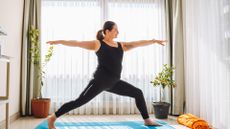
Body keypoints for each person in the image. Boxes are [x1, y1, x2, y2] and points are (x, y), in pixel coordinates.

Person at [47, 21, 167, 129]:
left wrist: (153, 41)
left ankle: (147, 120)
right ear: (107, 31)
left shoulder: (120, 45)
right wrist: (59, 42)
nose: (118, 32)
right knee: (79, 101)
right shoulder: (98, 44)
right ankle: (52, 118)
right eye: (115, 30)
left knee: (138, 92)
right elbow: (78, 43)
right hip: (99, 81)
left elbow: (137, 43)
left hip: (114, 82)